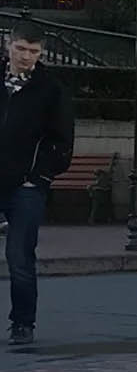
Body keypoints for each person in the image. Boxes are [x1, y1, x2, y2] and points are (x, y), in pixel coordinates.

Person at [1, 24, 76, 346]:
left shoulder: (50, 90)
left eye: (33, 52)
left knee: (19, 255)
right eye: (21, 49)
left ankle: (22, 323)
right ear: (8, 45)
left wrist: (40, 175)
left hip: (26, 186)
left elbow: (62, 139)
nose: (26, 57)